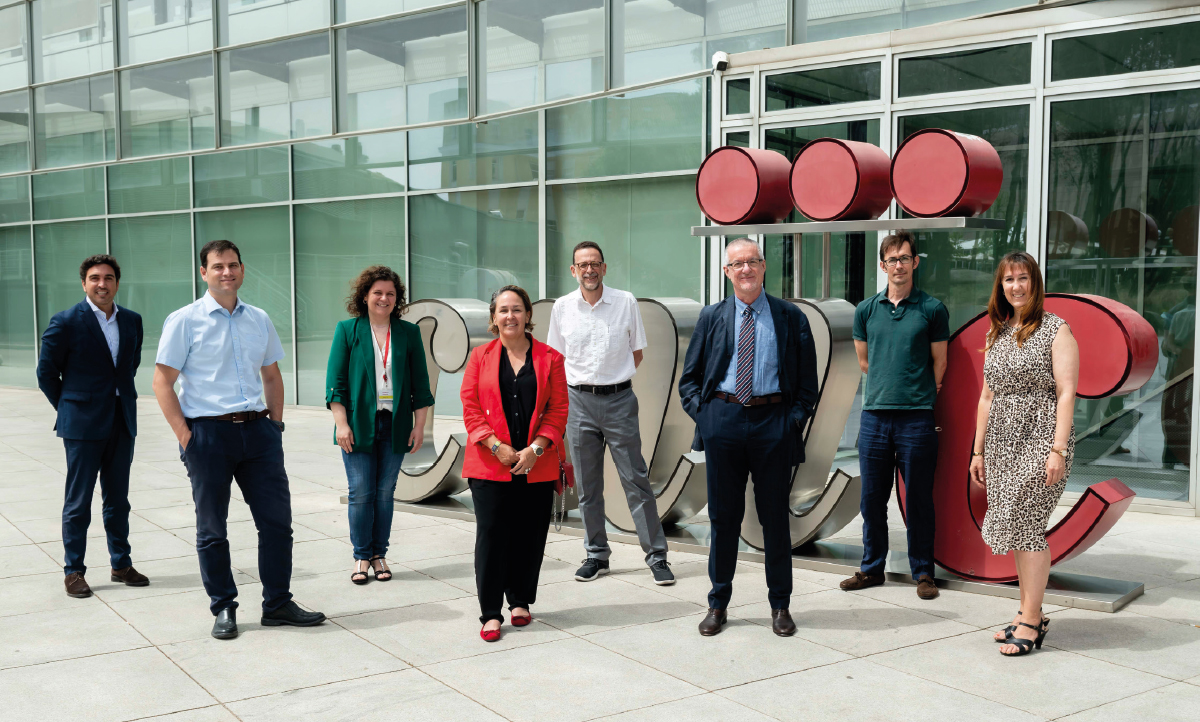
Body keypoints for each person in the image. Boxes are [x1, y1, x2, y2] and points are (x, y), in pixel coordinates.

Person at [152, 239, 325, 640]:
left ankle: (278, 604)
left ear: (242, 270)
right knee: (213, 528)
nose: (226, 272)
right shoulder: (184, 320)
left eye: (233, 265)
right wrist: (185, 436)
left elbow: (271, 374)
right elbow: (162, 382)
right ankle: (224, 606)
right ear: (204, 273)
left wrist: (275, 425)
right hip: (208, 435)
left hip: (258, 433)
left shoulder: (258, 318)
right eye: (218, 266)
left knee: (277, 524)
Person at [679, 238, 818, 638]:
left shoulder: (790, 317)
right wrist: (707, 420)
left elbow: (807, 383)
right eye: (737, 264)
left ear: (763, 267)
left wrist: (790, 421)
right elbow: (689, 380)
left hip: (772, 422)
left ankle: (780, 606)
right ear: (727, 272)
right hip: (722, 420)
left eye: (752, 262)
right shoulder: (711, 316)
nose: (745, 270)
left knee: (774, 518)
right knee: (723, 518)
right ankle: (718, 603)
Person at [969, 251, 1078, 657]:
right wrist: (977, 451)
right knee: (1016, 524)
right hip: (1001, 442)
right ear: (1000, 286)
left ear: (1035, 283)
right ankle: (1029, 611)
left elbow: (1067, 392)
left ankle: (1031, 622)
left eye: (1023, 278)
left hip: (1042, 438)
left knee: (1027, 522)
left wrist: (1058, 449)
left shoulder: (1056, 330)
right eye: (1008, 279)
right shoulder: (996, 331)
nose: (1016, 286)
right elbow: (985, 397)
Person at [546, 241, 674, 586]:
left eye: (595, 264)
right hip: (578, 403)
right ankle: (596, 555)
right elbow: (556, 361)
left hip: (618, 402)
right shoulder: (562, 307)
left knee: (635, 479)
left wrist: (610, 382)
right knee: (587, 486)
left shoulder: (625, 302)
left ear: (604, 268)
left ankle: (657, 557)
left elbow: (637, 354)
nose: (589, 270)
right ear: (574, 270)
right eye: (582, 265)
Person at [840, 231, 948, 600]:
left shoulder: (932, 309)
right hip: (873, 419)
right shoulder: (866, 309)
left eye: (904, 258)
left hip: (916, 419)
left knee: (917, 499)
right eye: (891, 259)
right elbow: (865, 362)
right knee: (871, 499)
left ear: (915, 263)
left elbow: (940, 364)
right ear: (882, 265)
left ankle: (923, 573)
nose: (898, 265)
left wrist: (916, 395)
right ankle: (872, 569)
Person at [460, 285, 569, 642]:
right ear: (494, 317)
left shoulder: (551, 358)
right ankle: (491, 612)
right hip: (491, 464)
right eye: (503, 310)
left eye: (517, 309)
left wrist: (535, 449)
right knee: (492, 536)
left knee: (530, 534)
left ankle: (520, 600)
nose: (511, 316)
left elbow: (558, 410)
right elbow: (471, 409)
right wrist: (497, 447)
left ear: (528, 315)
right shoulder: (479, 358)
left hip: (536, 462)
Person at [36, 254, 148, 598]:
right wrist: (70, 407)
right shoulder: (66, 321)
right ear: (84, 283)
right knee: (78, 500)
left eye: (109, 278)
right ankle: (74, 570)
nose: (103, 284)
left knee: (118, 499)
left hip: (121, 419)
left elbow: (130, 366)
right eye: (96, 278)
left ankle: (121, 563)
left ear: (117, 282)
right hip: (82, 424)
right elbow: (46, 374)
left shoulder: (131, 320)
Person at [326, 265, 435, 584]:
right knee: (361, 492)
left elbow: (421, 384)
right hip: (358, 424)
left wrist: (420, 427)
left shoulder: (408, 332)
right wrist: (341, 424)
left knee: (385, 493)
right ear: (364, 296)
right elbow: (336, 382)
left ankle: (379, 555)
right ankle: (361, 557)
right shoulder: (347, 330)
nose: (384, 298)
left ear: (397, 298)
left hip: (396, 424)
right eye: (378, 293)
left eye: (390, 293)